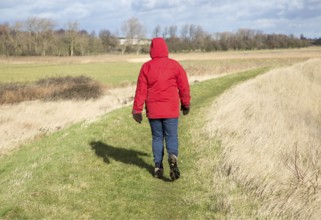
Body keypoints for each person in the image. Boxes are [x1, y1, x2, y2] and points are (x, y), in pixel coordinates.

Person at [132, 37, 191, 180]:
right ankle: (173, 156)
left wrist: (137, 110)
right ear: (166, 49)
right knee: (171, 136)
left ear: (151, 50)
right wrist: (185, 104)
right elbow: (184, 87)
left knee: (157, 137)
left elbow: (141, 90)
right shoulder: (175, 65)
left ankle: (158, 166)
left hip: (154, 110)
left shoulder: (146, 67)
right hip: (170, 109)